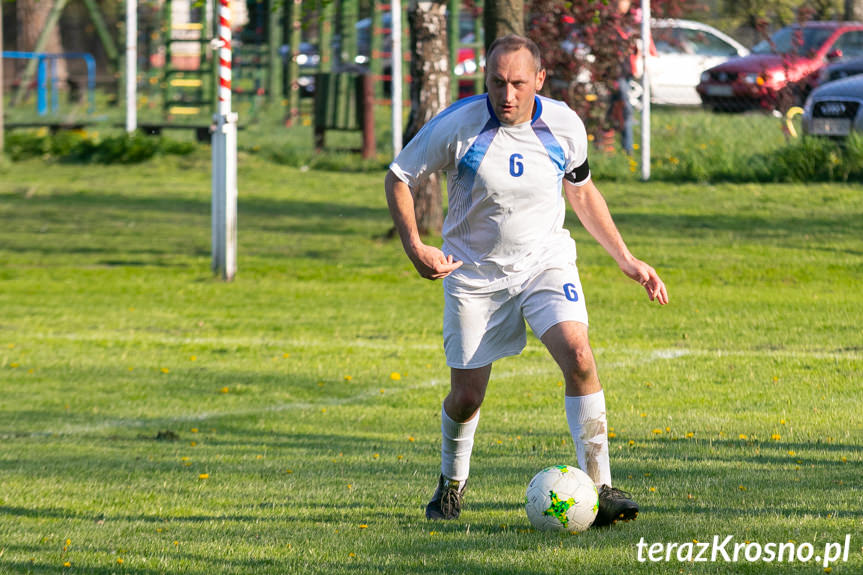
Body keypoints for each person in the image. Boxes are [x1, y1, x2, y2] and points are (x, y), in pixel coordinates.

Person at [384, 34, 668, 527]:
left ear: (539, 79)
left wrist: (625, 257)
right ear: (486, 80)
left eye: (518, 83)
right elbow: (398, 177)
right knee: (467, 396)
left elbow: (580, 190)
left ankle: (600, 488)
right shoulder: (458, 126)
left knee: (579, 354)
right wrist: (415, 247)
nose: (507, 95)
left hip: (544, 263)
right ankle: (451, 486)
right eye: (497, 83)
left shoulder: (564, 125)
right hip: (474, 275)